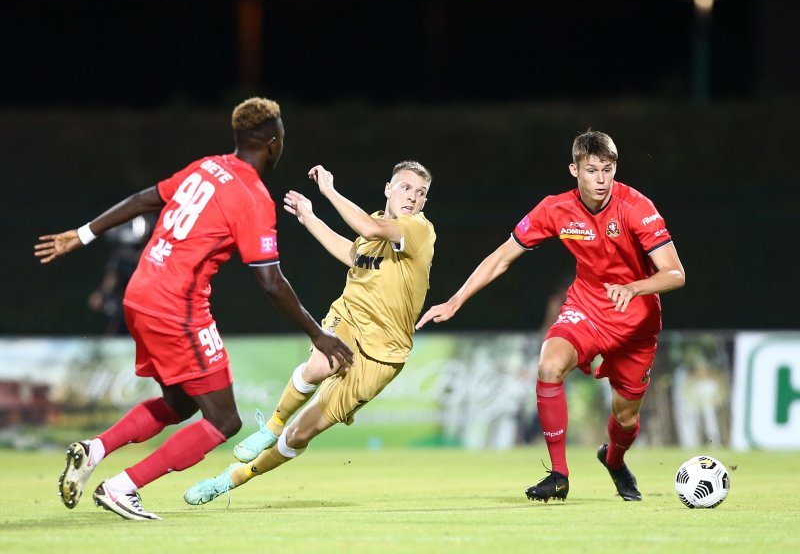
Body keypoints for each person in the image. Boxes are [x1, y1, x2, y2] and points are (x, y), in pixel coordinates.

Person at [34, 97, 353, 521]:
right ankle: (122, 487)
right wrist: (318, 333)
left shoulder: (207, 167)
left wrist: (83, 234)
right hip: (176, 309)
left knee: (180, 404)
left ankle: (95, 449)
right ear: (274, 143)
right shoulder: (252, 196)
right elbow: (270, 281)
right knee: (224, 421)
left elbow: (146, 198)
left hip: (141, 294)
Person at [416, 130, 685, 502]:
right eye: (592, 170)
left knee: (625, 418)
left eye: (608, 169)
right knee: (549, 364)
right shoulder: (555, 209)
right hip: (586, 309)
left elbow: (675, 273)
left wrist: (635, 287)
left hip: (636, 323)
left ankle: (614, 459)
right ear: (574, 170)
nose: (602, 179)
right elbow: (502, 256)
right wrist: (456, 299)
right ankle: (559, 475)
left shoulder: (636, 207)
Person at [182, 160, 435, 506]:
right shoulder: (375, 226)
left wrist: (329, 191)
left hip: (384, 354)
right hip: (350, 316)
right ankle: (270, 427)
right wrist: (310, 219)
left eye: (421, 193)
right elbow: (353, 253)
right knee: (322, 363)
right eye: (406, 187)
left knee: (302, 434)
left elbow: (371, 229)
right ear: (389, 189)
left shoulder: (418, 229)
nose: (413, 197)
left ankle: (231, 479)